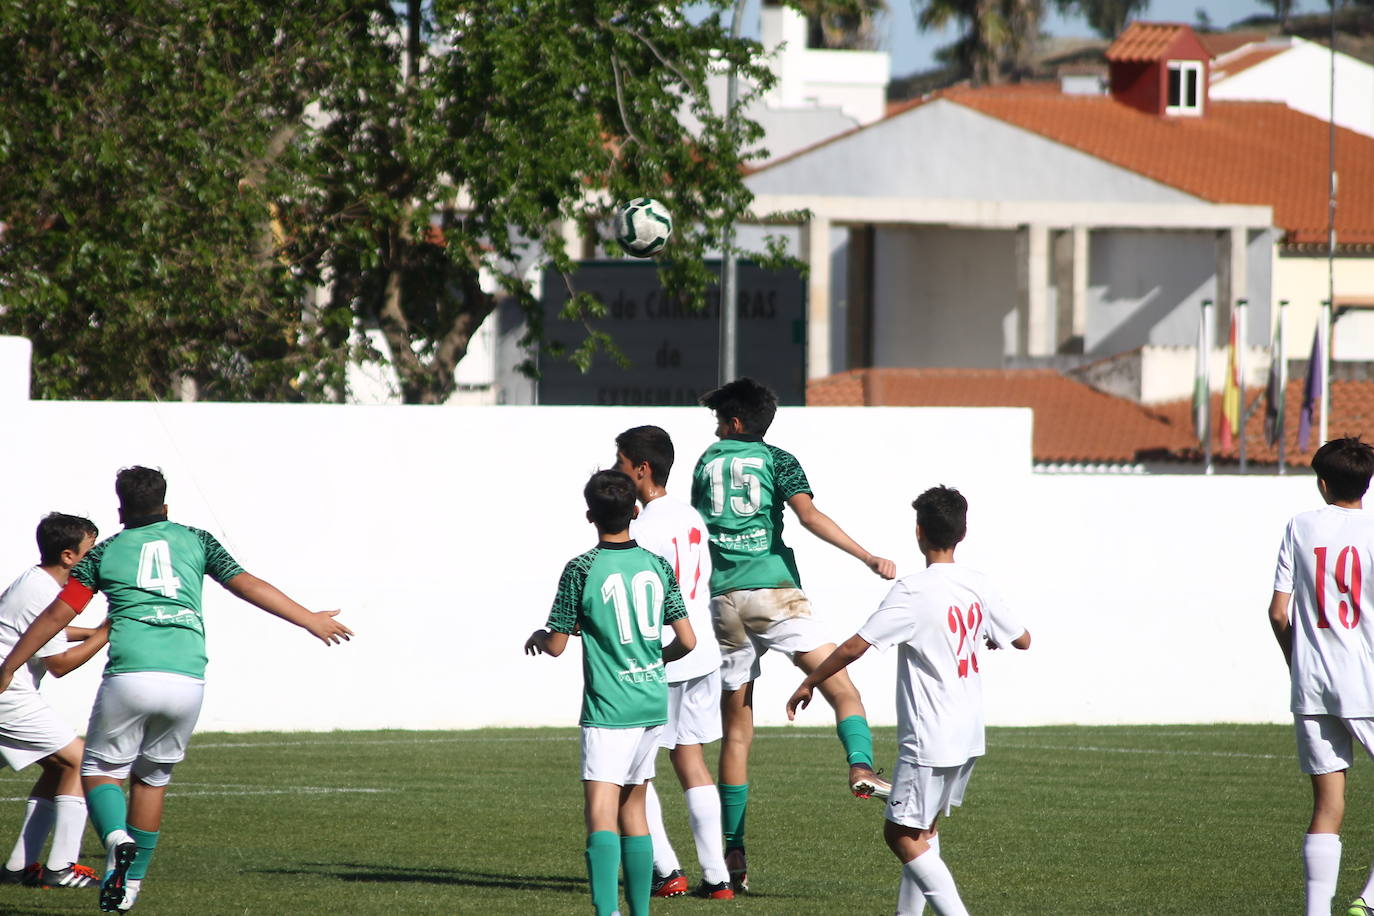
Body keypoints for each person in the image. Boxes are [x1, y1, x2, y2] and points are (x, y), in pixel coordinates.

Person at [0, 466, 352, 913]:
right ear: (165, 505)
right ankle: (127, 890)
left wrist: (10, 665)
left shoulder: (103, 553)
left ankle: (114, 839)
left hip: (131, 675)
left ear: (120, 508)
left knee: (99, 770)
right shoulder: (197, 539)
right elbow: (248, 585)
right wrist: (309, 619)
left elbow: (56, 615)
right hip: (188, 678)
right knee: (152, 780)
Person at [689, 376, 896, 892]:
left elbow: (696, 528)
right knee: (842, 688)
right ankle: (861, 766)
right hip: (776, 595)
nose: (716, 427)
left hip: (724, 603)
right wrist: (867, 555)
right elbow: (808, 517)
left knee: (737, 732)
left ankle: (732, 852)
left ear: (734, 422)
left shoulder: (704, 462)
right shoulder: (779, 459)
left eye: (720, 419)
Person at [786, 485, 1030, 916]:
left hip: (929, 736)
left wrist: (810, 681)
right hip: (969, 733)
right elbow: (1022, 639)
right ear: (963, 532)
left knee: (900, 835)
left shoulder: (913, 591)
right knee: (924, 830)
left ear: (918, 532)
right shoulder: (978, 584)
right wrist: (986, 634)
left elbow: (852, 648)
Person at [524, 469, 697, 916]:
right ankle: (638, 910)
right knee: (633, 808)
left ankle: (607, 912)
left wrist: (541, 636)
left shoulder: (581, 568)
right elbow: (688, 640)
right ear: (634, 512)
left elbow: (558, 645)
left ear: (589, 516)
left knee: (601, 811)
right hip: (650, 700)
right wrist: (657, 659)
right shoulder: (657, 566)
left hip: (609, 707)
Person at [613, 426, 733, 901]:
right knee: (691, 760)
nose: (616, 470)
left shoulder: (642, 529)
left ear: (641, 470)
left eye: (620, 462)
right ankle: (718, 877)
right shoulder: (691, 517)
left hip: (662, 656)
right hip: (702, 651)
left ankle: (667, 871)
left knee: (631, 772)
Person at [1267, 437, 1374, 916]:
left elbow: (1277, 612)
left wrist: (1298, 662)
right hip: (1368, 682)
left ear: (1323, 483)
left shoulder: (1300, 525)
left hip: (1312, 686)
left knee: (1328, 806)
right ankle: (1367, 902)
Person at [0, 512, 111, 890]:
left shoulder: (38, 582)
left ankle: (19, 867)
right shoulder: (43, 591)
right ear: (68, 556)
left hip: (11, 692)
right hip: (7, 695)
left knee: (57, 767)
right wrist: (108, 632)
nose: (95, 559)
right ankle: (61, 868)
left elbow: (52, 630)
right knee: (79, 762)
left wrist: (95, 632)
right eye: (90, 551)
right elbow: (59, 664)